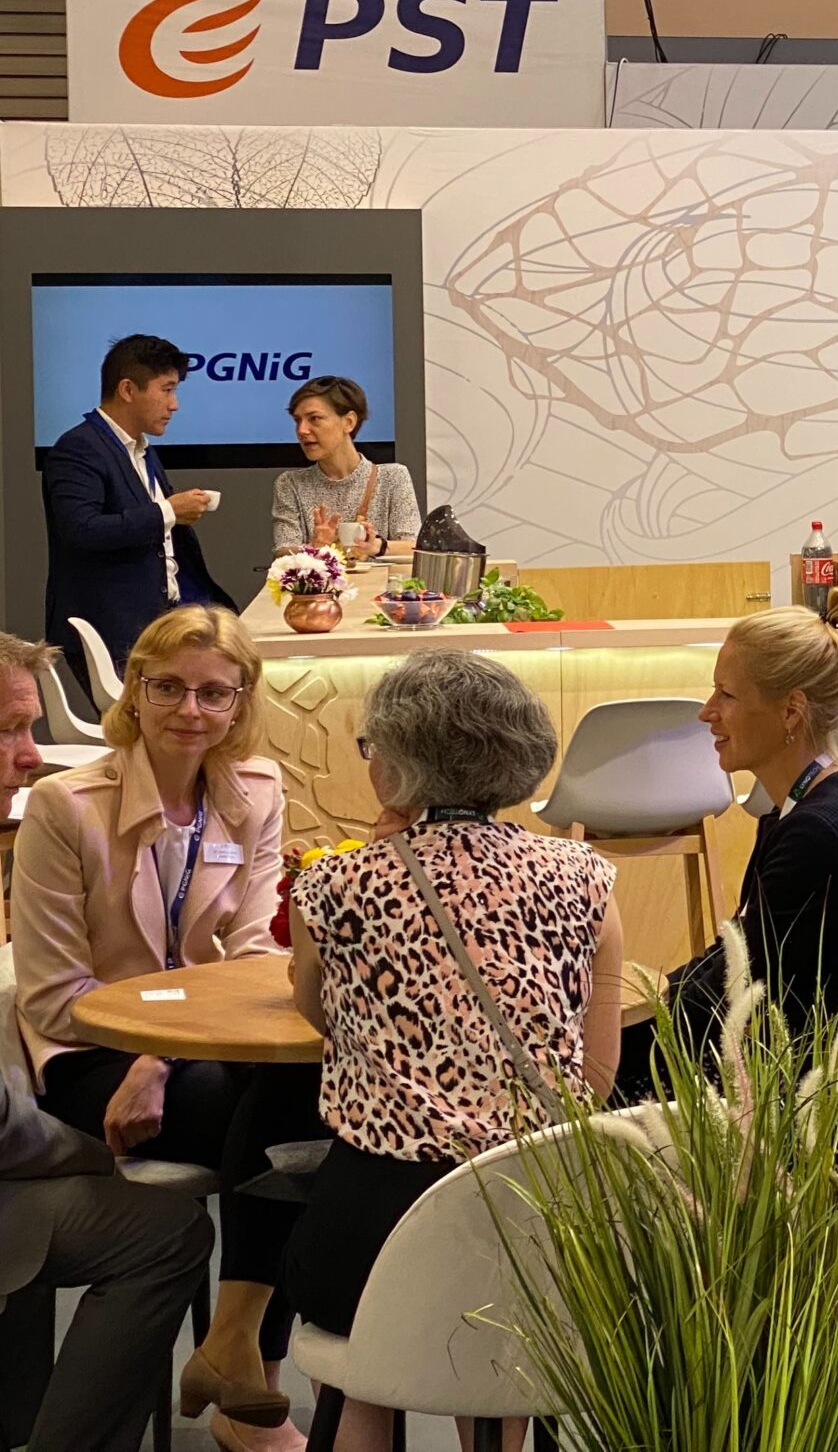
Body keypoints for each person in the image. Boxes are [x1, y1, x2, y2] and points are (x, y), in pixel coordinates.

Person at [284, 651, 624, 1452]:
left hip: (374, 1226)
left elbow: (321, 1015)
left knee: (359, 1355)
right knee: (500, 1348)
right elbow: (597, 1076)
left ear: (396, 762)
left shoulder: (332, 887)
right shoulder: (586, 878)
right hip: (534, 1216)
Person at [10, 604, 314, 1451]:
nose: (191, 710)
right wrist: (154, 1052)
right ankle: (248, 1380)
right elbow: (54, 996)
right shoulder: (65, 806)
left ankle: (234, 1353)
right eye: (169, 687)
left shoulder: (257, 791)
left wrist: (165, 1054)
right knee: (286, 1128)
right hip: (89, 1054)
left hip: (193, 1047)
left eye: (216, 693)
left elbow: (254, 955)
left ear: (242, 701)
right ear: (134, 692)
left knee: (314, 1090)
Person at [0, 629, 217, 1452]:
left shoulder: (250, 792)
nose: (32, 757)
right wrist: (86, 1148)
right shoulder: (70, 811)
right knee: (168, 1232)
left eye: (29, 728)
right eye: (7, 732)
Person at [626, 597, 838, 1103]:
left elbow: (737, 993)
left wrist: (606, 1044)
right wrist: (645, 1009)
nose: (707, 712)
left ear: (791, 710)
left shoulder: (822, 832)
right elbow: (737, 959)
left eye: (727, 694)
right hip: (831, 1079)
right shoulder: (807, 810)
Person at [42, 333, 233, 689]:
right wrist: (168, 512)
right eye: (167, 390)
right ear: (128, 390)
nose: (174, 405)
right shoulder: (78, 448)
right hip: (112, 629)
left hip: (161, 621)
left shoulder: (143, 450)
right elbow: (81, 529)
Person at [268, 375, 421, 560]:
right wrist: (314, 548)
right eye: (297, 420)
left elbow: (414, 548)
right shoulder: (290, 483)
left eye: (314, 418)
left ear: (349, 422)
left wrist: (375, 546)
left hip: (382, 580)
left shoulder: (393, 476)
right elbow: (282, 551)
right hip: (320, 580)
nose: (301, 430)